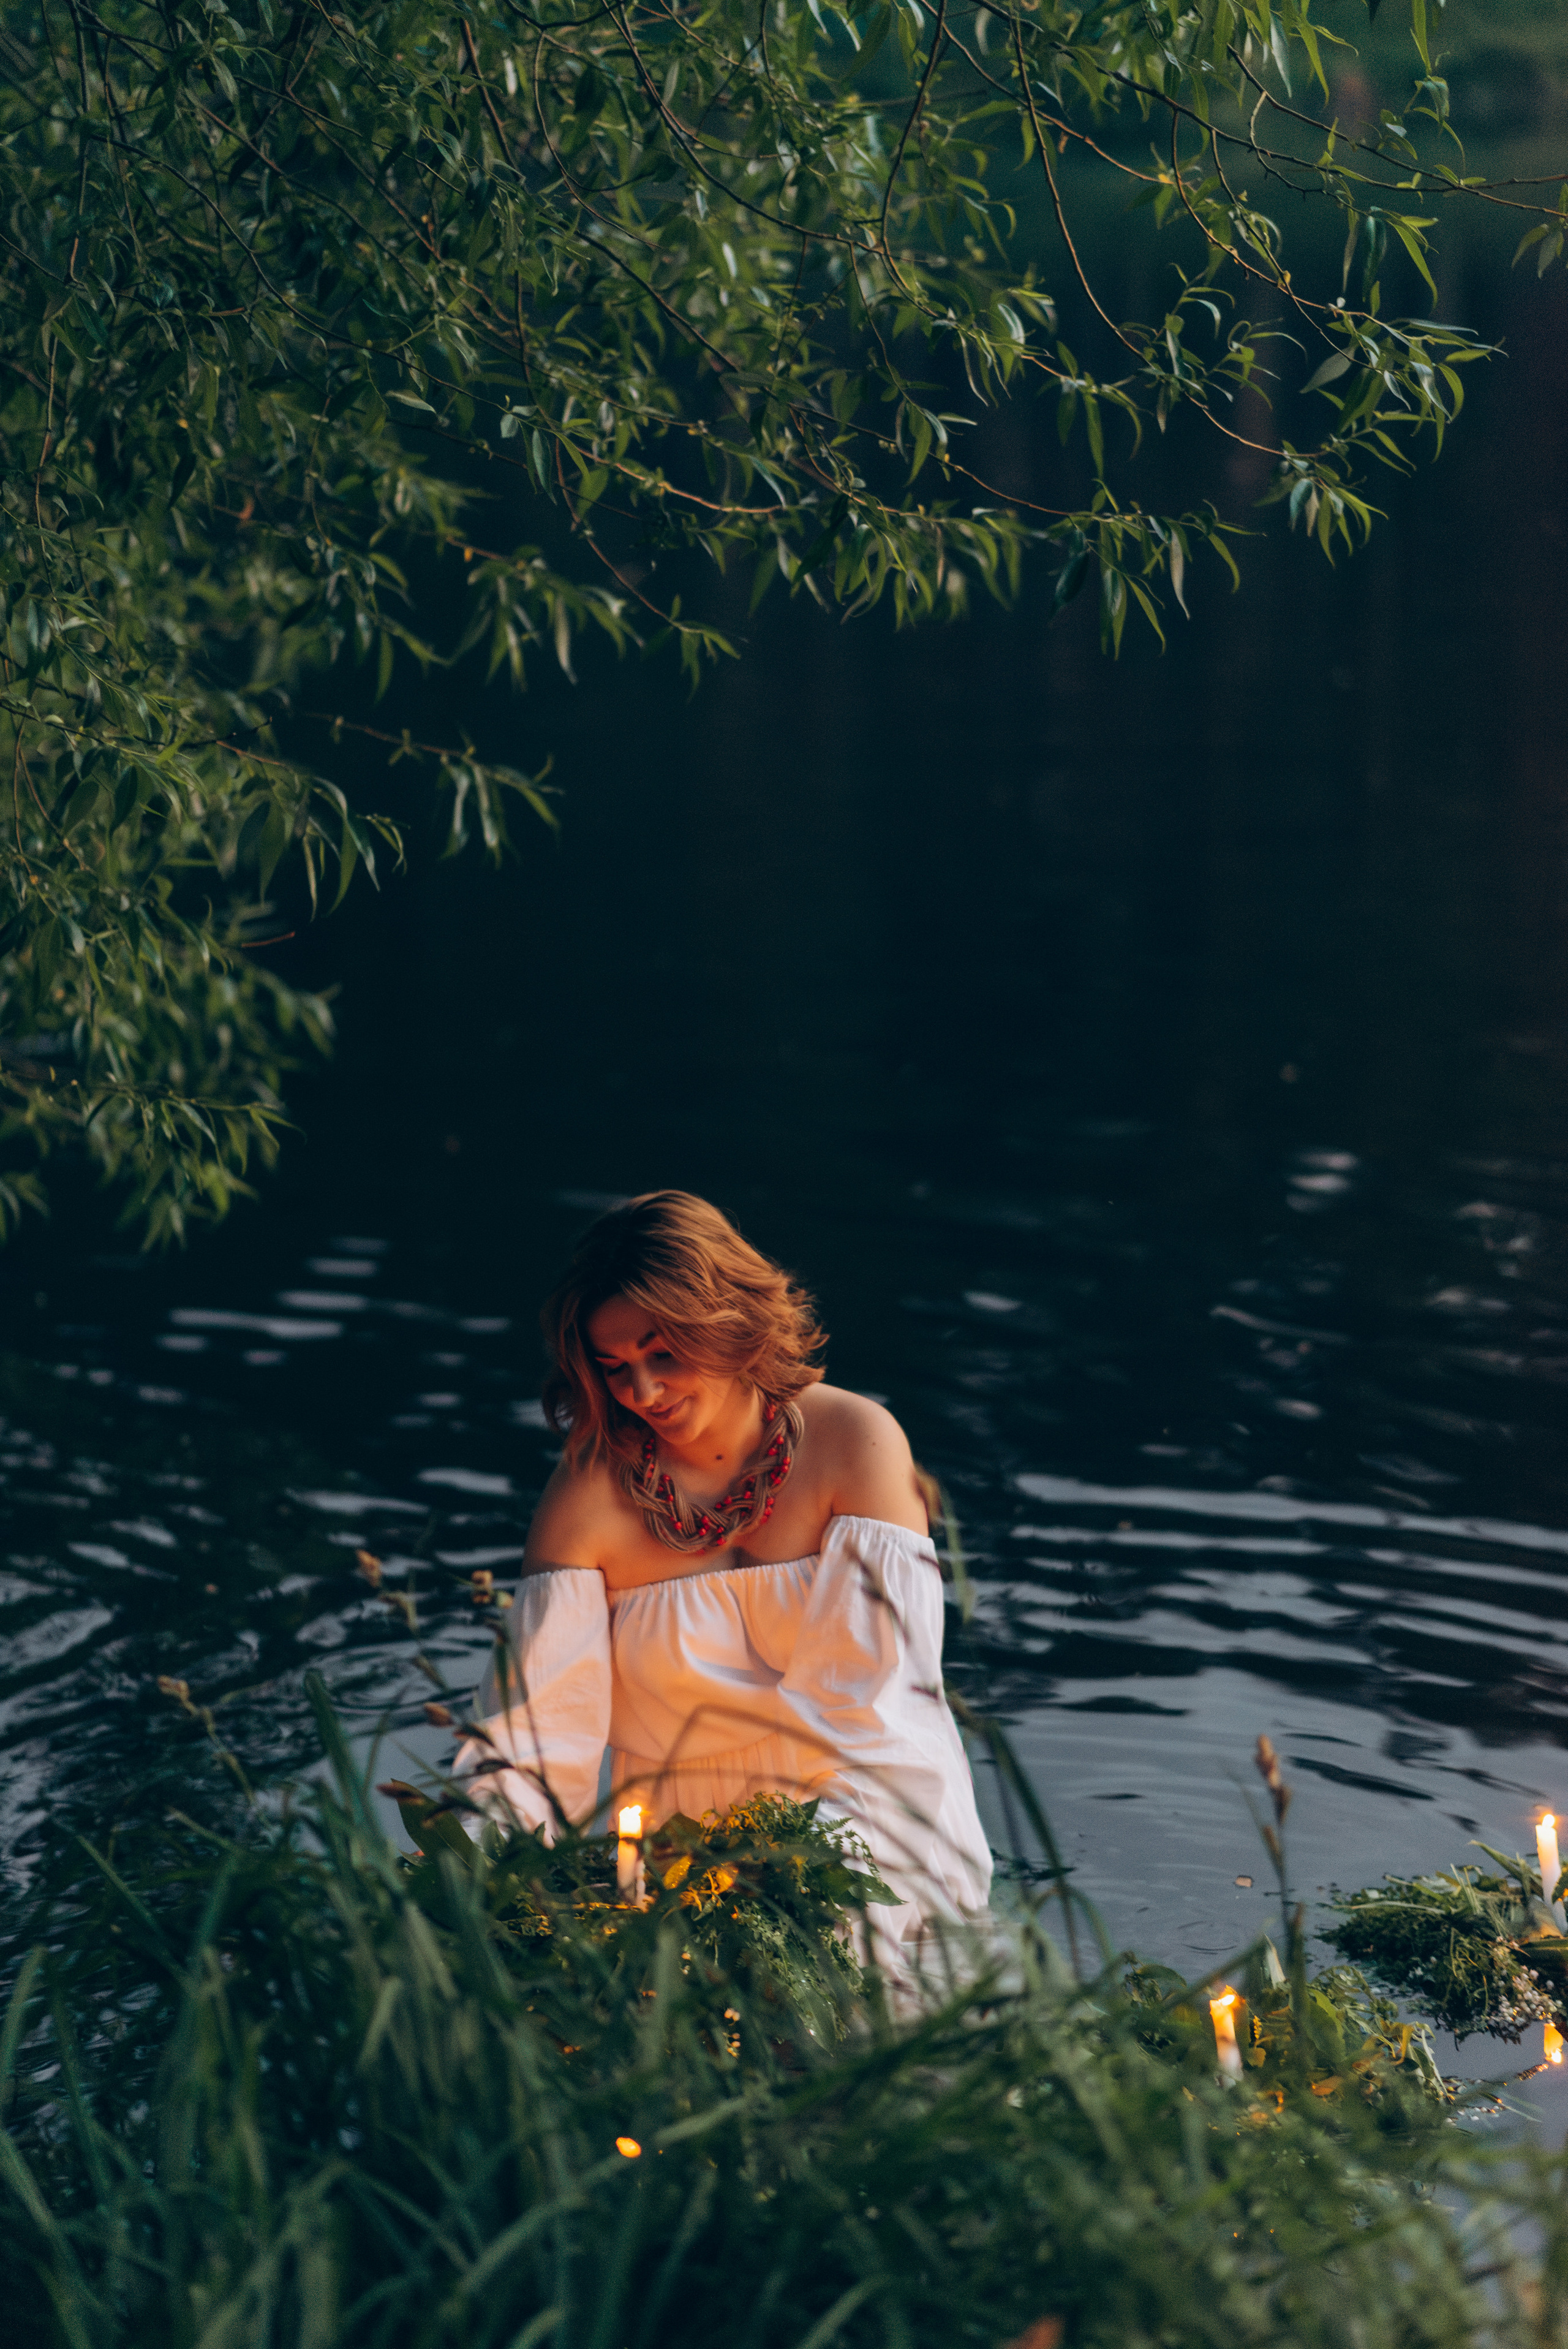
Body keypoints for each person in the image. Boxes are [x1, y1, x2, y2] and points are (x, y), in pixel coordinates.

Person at [456, 1190, 992, 1975]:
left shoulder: (855, 1442)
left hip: (871, 1839)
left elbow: (877, 1721)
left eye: (661, 1353)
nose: (640, 1393)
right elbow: (529, 1745)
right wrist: (483, 1885)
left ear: (725, 1321)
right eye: (614, 1369)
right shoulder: (587, 1501)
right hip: (675, 1880)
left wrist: (792, 1882)